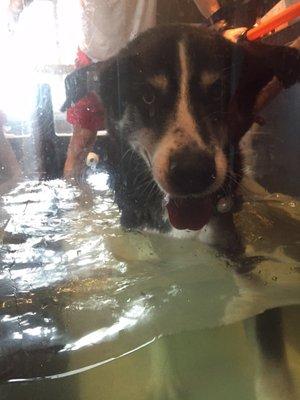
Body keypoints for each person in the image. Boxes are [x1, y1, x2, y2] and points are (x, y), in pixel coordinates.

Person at [63, 0, 278, 179]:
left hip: (144, 58)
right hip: (93, 56)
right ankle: (77, 205)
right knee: (81, 139)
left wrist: (220, 21)